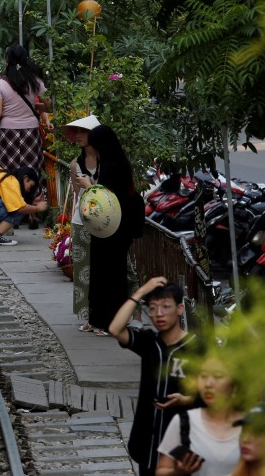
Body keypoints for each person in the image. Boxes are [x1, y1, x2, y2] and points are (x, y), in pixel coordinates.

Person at [108, 278, 203, 476]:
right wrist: (140, 292)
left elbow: (221, 392)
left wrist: (188, 399)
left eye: (165, 307)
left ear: (179, 309)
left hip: (185, 441)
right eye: (153, 308)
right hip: (148, 439)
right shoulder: (149, 342)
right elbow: (115, 329)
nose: (159, 314)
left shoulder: (198, 347)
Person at [79, 124, 145, 333]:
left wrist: (88, 186)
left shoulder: (113, 165)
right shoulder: (111, 161)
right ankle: (99, 318)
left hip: (116, 226)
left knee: (111, 274)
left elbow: (107, 196)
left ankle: (109, 320)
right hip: (111, 226)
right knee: (102, 271)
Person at [0, 45, 52, 229]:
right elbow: (48, 105)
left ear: (7, 61)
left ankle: (12, 212)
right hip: (30, 132)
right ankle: (33, 214)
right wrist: (35, 108)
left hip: (9, 133)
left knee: (10, 171)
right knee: (32, 170)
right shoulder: (35, 82)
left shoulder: (1, 85)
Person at [156, 358, 242, 476]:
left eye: (217, 376)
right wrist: (178, 472)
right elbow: (161, 470)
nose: (208, 384)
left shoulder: (251, 426)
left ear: (234, 384)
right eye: (203, 376)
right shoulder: (184, 422)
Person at [64, 114, 103, 333]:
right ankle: (88, 315)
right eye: (76, 132)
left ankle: (105, 314)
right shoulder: (75, 164)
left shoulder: (107, 162)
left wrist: (90, 185)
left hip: (106, 221)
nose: (78, 136)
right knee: (83, 271)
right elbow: (77, 197)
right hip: (81, 220)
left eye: (83, 132)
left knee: (103, 270)